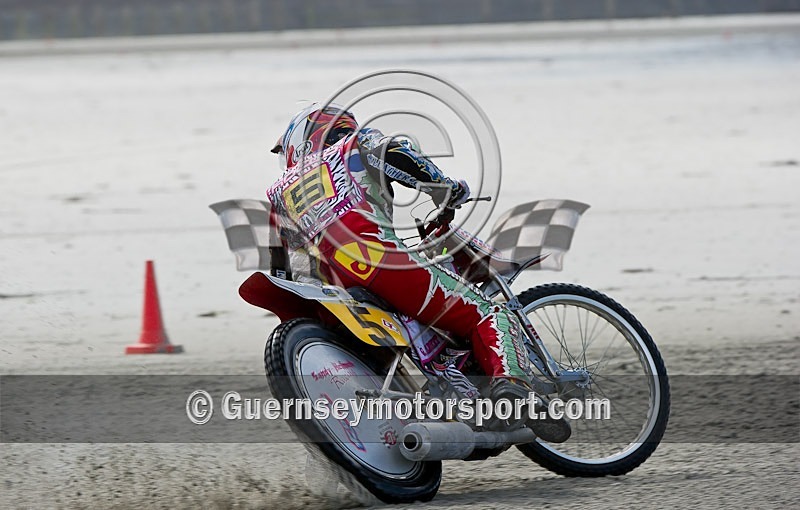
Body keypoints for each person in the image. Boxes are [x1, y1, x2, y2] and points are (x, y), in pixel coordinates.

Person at [266, 104, 535, 414]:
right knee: (486, 312)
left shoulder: (278, 192)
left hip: (326, 286)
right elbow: (396, 153)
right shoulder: (352, 144)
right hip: (378, 261)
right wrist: (445, 189)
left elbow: (280, 261)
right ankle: (514, 393)